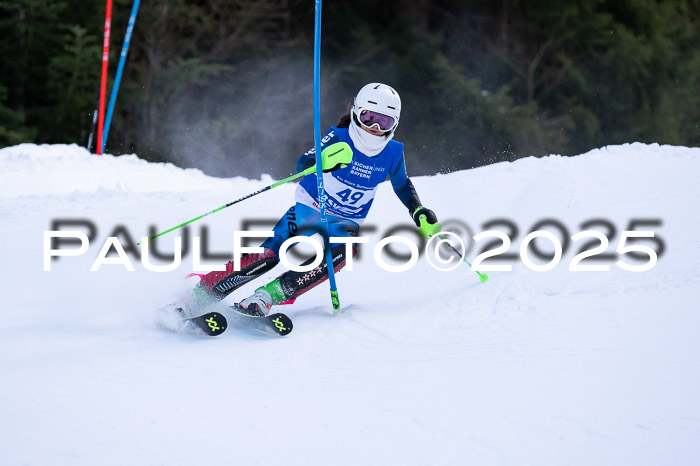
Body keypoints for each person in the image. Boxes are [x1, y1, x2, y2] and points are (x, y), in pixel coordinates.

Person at [177, 83, 441, 317]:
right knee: (270, 254)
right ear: (356, 113)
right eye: (368, 117)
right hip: (311, 206)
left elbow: (402, 184)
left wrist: (418, 210)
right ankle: (200, 295)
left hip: (346, 221)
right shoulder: (338, 137)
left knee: (341, 254)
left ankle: (266, 297)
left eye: (383, 122)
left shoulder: (393, 152)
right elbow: (303, 163)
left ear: (393, 124)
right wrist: (322, 162)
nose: (373, 127)